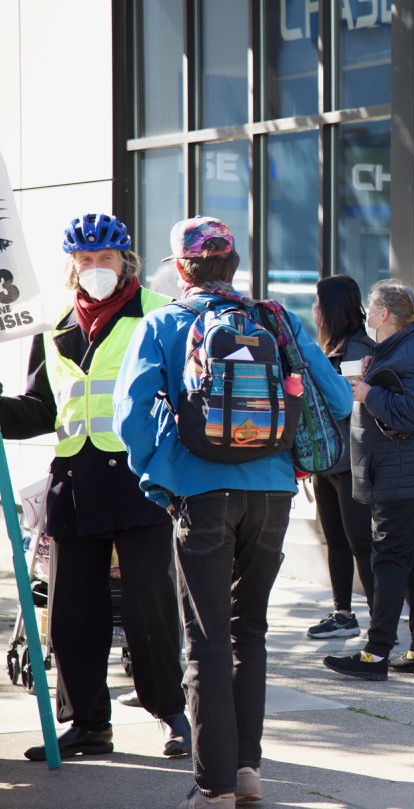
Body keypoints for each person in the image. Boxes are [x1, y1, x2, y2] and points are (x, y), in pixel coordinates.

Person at [113, 216, 352, 809]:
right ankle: (246, 772)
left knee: (207, 642)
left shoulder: (164, 323)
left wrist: (162, 476)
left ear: (182, 268)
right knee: (251, 632)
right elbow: (342, 398)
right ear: (233, 264)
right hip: (272, 494)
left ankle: (213, 785)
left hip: (200, 495)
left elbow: (131, 419)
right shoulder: (277, 319)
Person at [5, 213, 190, 762]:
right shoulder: (55, 323)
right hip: (75, 485)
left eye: (104, 259)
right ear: (72, 267)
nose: (95, 269)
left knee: (149, 610)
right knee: (71, 614)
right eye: (84, 261)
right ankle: (87, 723)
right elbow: (42, 408)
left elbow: (186, 395)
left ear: (125, 261)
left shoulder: (158, 314)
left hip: (141, 483)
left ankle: (171, 713)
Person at [322, 279, 414, 681]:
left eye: (372, 308)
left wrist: (367, 393)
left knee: (390, 561)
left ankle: (376, 655)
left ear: (385, 315)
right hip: (408, 473)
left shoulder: (410, 351)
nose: (367, 314)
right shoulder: (403, 347)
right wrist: (370, 378)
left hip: (403, 476)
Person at [305, 276, 377, 640]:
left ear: (331, 307)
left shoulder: (357, 350)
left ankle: (380, 621)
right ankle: (343, 614)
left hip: (350, 461)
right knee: (334, 540)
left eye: (318, 303)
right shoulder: (330, 348)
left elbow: (346, 405)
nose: (314, 310)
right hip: (326, 460)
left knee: (360, 542)